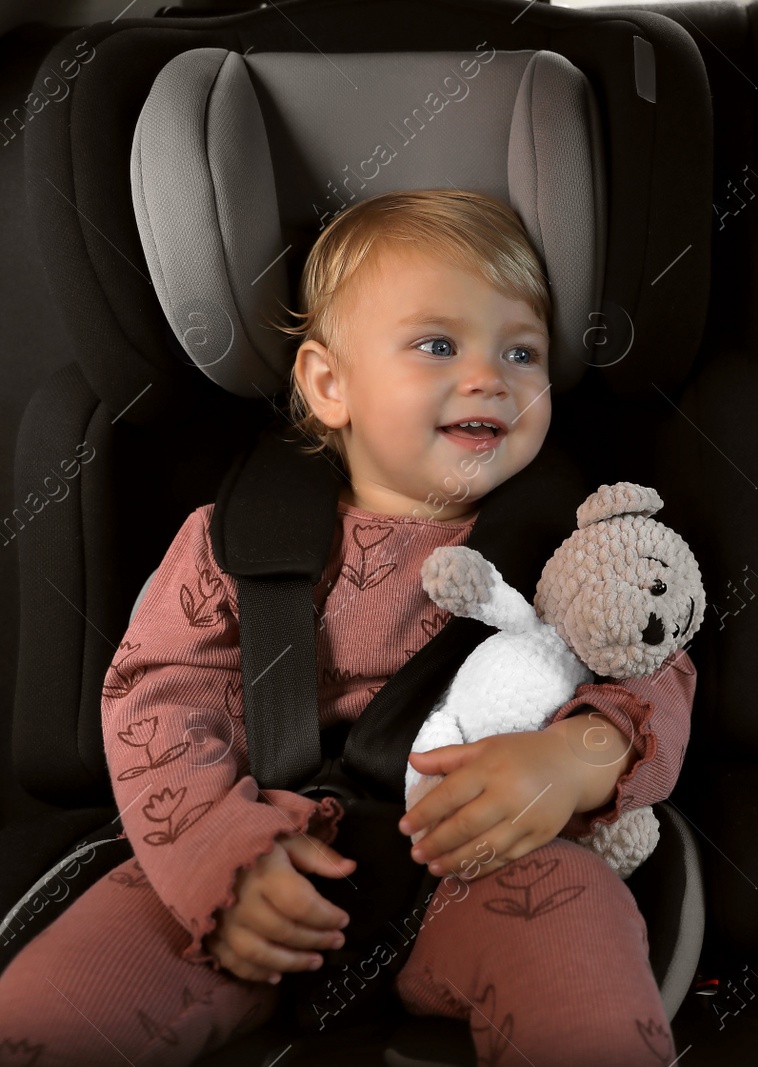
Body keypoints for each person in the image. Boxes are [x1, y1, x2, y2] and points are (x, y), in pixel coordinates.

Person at [0, 188, 693, 1066]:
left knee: (573, 917)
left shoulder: (574, 543)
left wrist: (573, 760)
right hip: (251, 858)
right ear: (330, 384)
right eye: (438, 344)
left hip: (478, 860)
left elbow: (656, 669)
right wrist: (218, 856)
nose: (491, 376)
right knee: (64, 997)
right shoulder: (238, 539)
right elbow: (155, 696)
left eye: (522, 350)